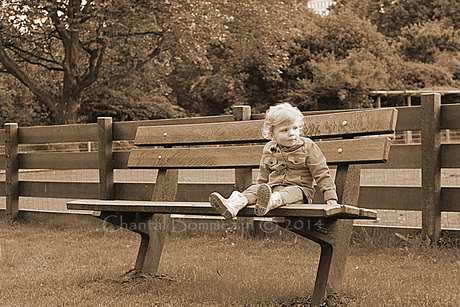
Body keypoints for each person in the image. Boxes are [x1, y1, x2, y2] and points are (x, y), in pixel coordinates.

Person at [209, 102, 338, 219]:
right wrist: (258, 190)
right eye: (285, 130)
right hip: (272, 188)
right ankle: (233, 204)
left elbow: (321, 173)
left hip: (300, 191)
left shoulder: (308, 146)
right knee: (254, 188)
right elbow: (263, 176)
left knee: (290, 192)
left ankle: (269, 202)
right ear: (272, 134)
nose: (292, 133)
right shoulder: (269, 149)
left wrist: (330, 196)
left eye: (295, 128)